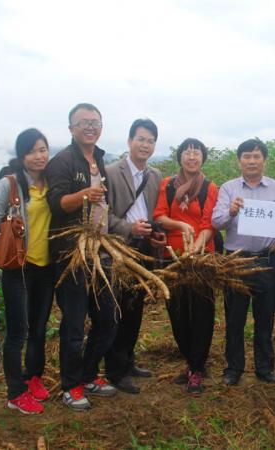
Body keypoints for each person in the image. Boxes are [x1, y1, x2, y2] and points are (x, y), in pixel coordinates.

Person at [46, 103, 118, 410]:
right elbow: (56, 203)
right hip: (71, 253)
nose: (90, 126)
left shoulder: (100, 158)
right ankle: (70, 386)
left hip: (99, 250)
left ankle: (88, 375)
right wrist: (84, 195)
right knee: (74, 324)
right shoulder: (62, 161)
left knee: (108, 318)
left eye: (95, 121)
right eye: (83, 122)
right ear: (71, 128)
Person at [0, 128, 53, 414]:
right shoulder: (8, 185)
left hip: (46, 267)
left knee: (38, 328)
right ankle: (15, 393)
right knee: (18, 332)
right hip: (18, 269)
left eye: (43, 149)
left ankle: (32, 377)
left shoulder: (49, 182)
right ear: (21, 155)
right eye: (33, 150)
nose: (39, 156)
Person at [212, 138, 275, 386]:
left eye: (256, 156)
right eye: (246, 156)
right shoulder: (229, 189)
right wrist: (231, 211)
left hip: (266, 259)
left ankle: (265, 369)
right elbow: (216, 222)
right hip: (236, 261)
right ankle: (233, 368)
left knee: (265, 317)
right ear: (239, 160)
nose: (251, 161)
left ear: (264, 160)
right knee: (235, 318)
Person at [104, 118, 165, 394]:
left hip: (143, 248)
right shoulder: (111, 172)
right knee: (118, 308)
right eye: (141, 139)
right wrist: (130, 228)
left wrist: (153, 231)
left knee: (135, 307)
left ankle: (129, 361)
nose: (145, 144)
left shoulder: (155, 176)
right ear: (129, 141)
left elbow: (155, 212)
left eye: (150, 140)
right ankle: (115, 370)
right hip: (119, 249)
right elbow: (103, 215)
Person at [153, 138, 218, 394]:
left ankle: (196, 368)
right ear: (180, 157)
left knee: (202, 313)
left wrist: (195, 247)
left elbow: (209, 223)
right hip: (173, 257)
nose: (192, 157)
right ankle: (192, 362)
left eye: (197, 153)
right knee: (177, 313)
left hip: (201, 258)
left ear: (203, 158)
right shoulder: (167, 185)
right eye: (187, 153)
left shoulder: (210, 187)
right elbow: (159, 215)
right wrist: (180, 226)